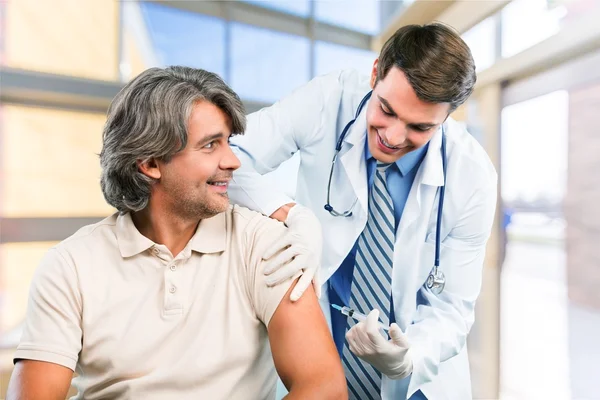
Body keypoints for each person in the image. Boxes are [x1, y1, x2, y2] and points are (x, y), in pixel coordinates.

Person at [7, 66, 347, 400]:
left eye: (228, 142)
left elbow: (324, 387)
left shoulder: (263, 244)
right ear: (151, 163)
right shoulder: (70, 266)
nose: (233, 161)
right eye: (211, 145)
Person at [228, 23, 498, 400]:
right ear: (375, 73)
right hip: (325, 353)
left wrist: (406, 359)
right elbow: (229, 157)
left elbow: (452, 309)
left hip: (418, 380)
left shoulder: (473, 178)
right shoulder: (328, 100)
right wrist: (291, 214)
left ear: (449, 115)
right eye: (386, 109)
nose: (394, 136)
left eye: (419, 127)